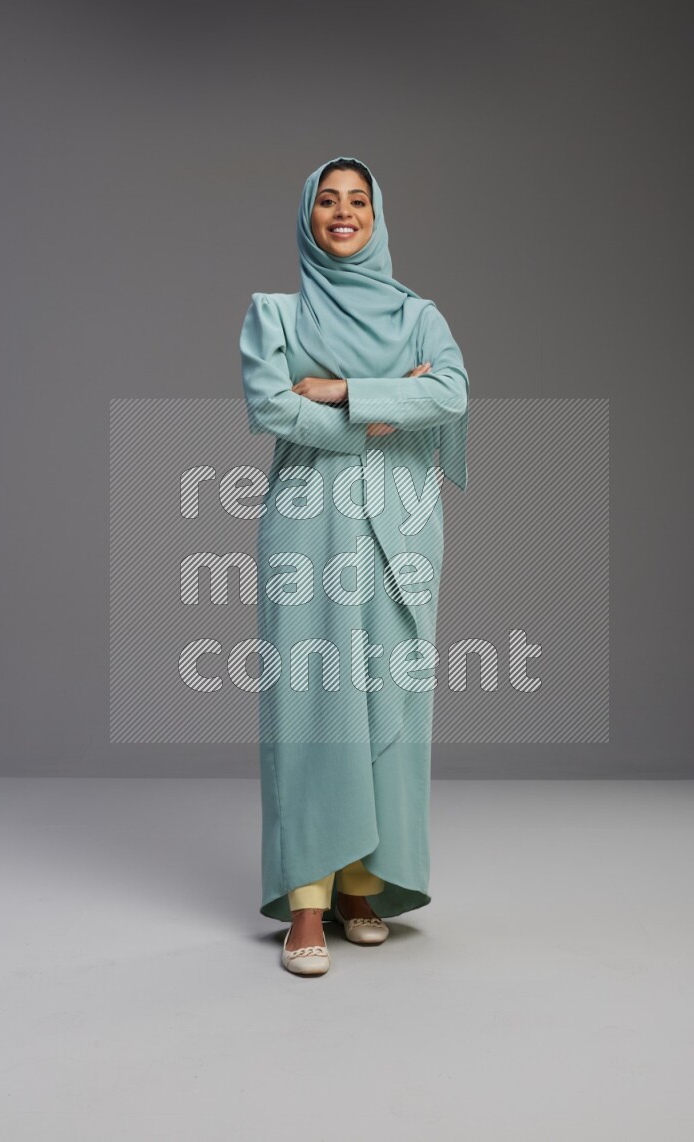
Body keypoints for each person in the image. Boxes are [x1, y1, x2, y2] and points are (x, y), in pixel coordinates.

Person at [239, 156, 470, 975]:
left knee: (391, 699)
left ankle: (364, 881)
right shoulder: (276, 312)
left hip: (403, 525)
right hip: (309, 527)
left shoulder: (419, 314)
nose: (344, 213)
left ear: (377, 215)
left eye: (358, 201)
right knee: (312, 699)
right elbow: (270, 404)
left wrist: (341, 394)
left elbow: (450, 392)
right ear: (309, 217)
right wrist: (382, 408)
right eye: (328, 202)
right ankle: (308, 899)